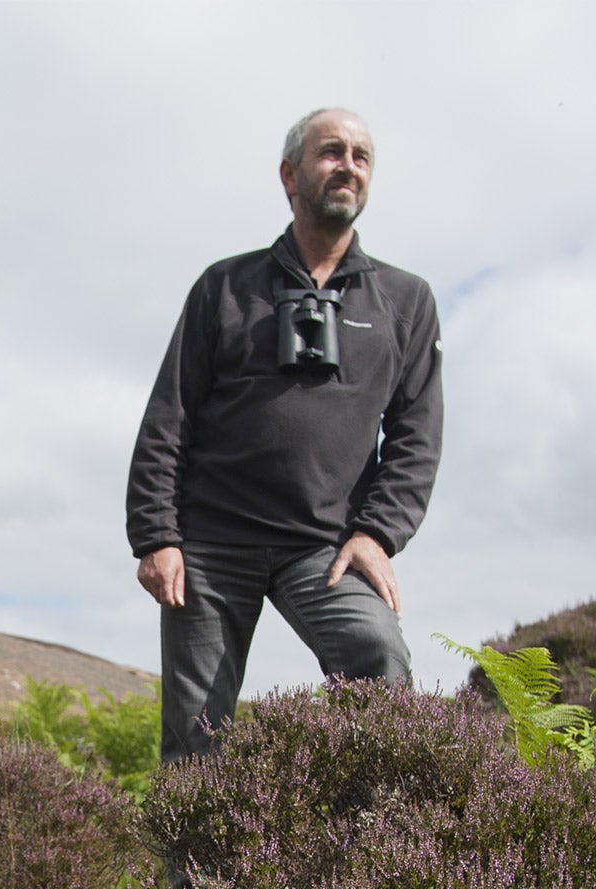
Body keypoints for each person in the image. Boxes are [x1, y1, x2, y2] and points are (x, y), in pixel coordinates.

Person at [126, 106, 444, 765]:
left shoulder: (405, 300)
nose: (347, 166)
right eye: (331, 152)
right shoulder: (226, 286)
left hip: (326, 549)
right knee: (197, 736)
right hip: (211, 545)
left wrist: (377, 534)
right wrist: (156, 534)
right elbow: (169, 415)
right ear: (289, 174)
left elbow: (416, 435)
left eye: (361, 157)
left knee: (377, 656)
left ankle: (376, 852)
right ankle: (200, 875)